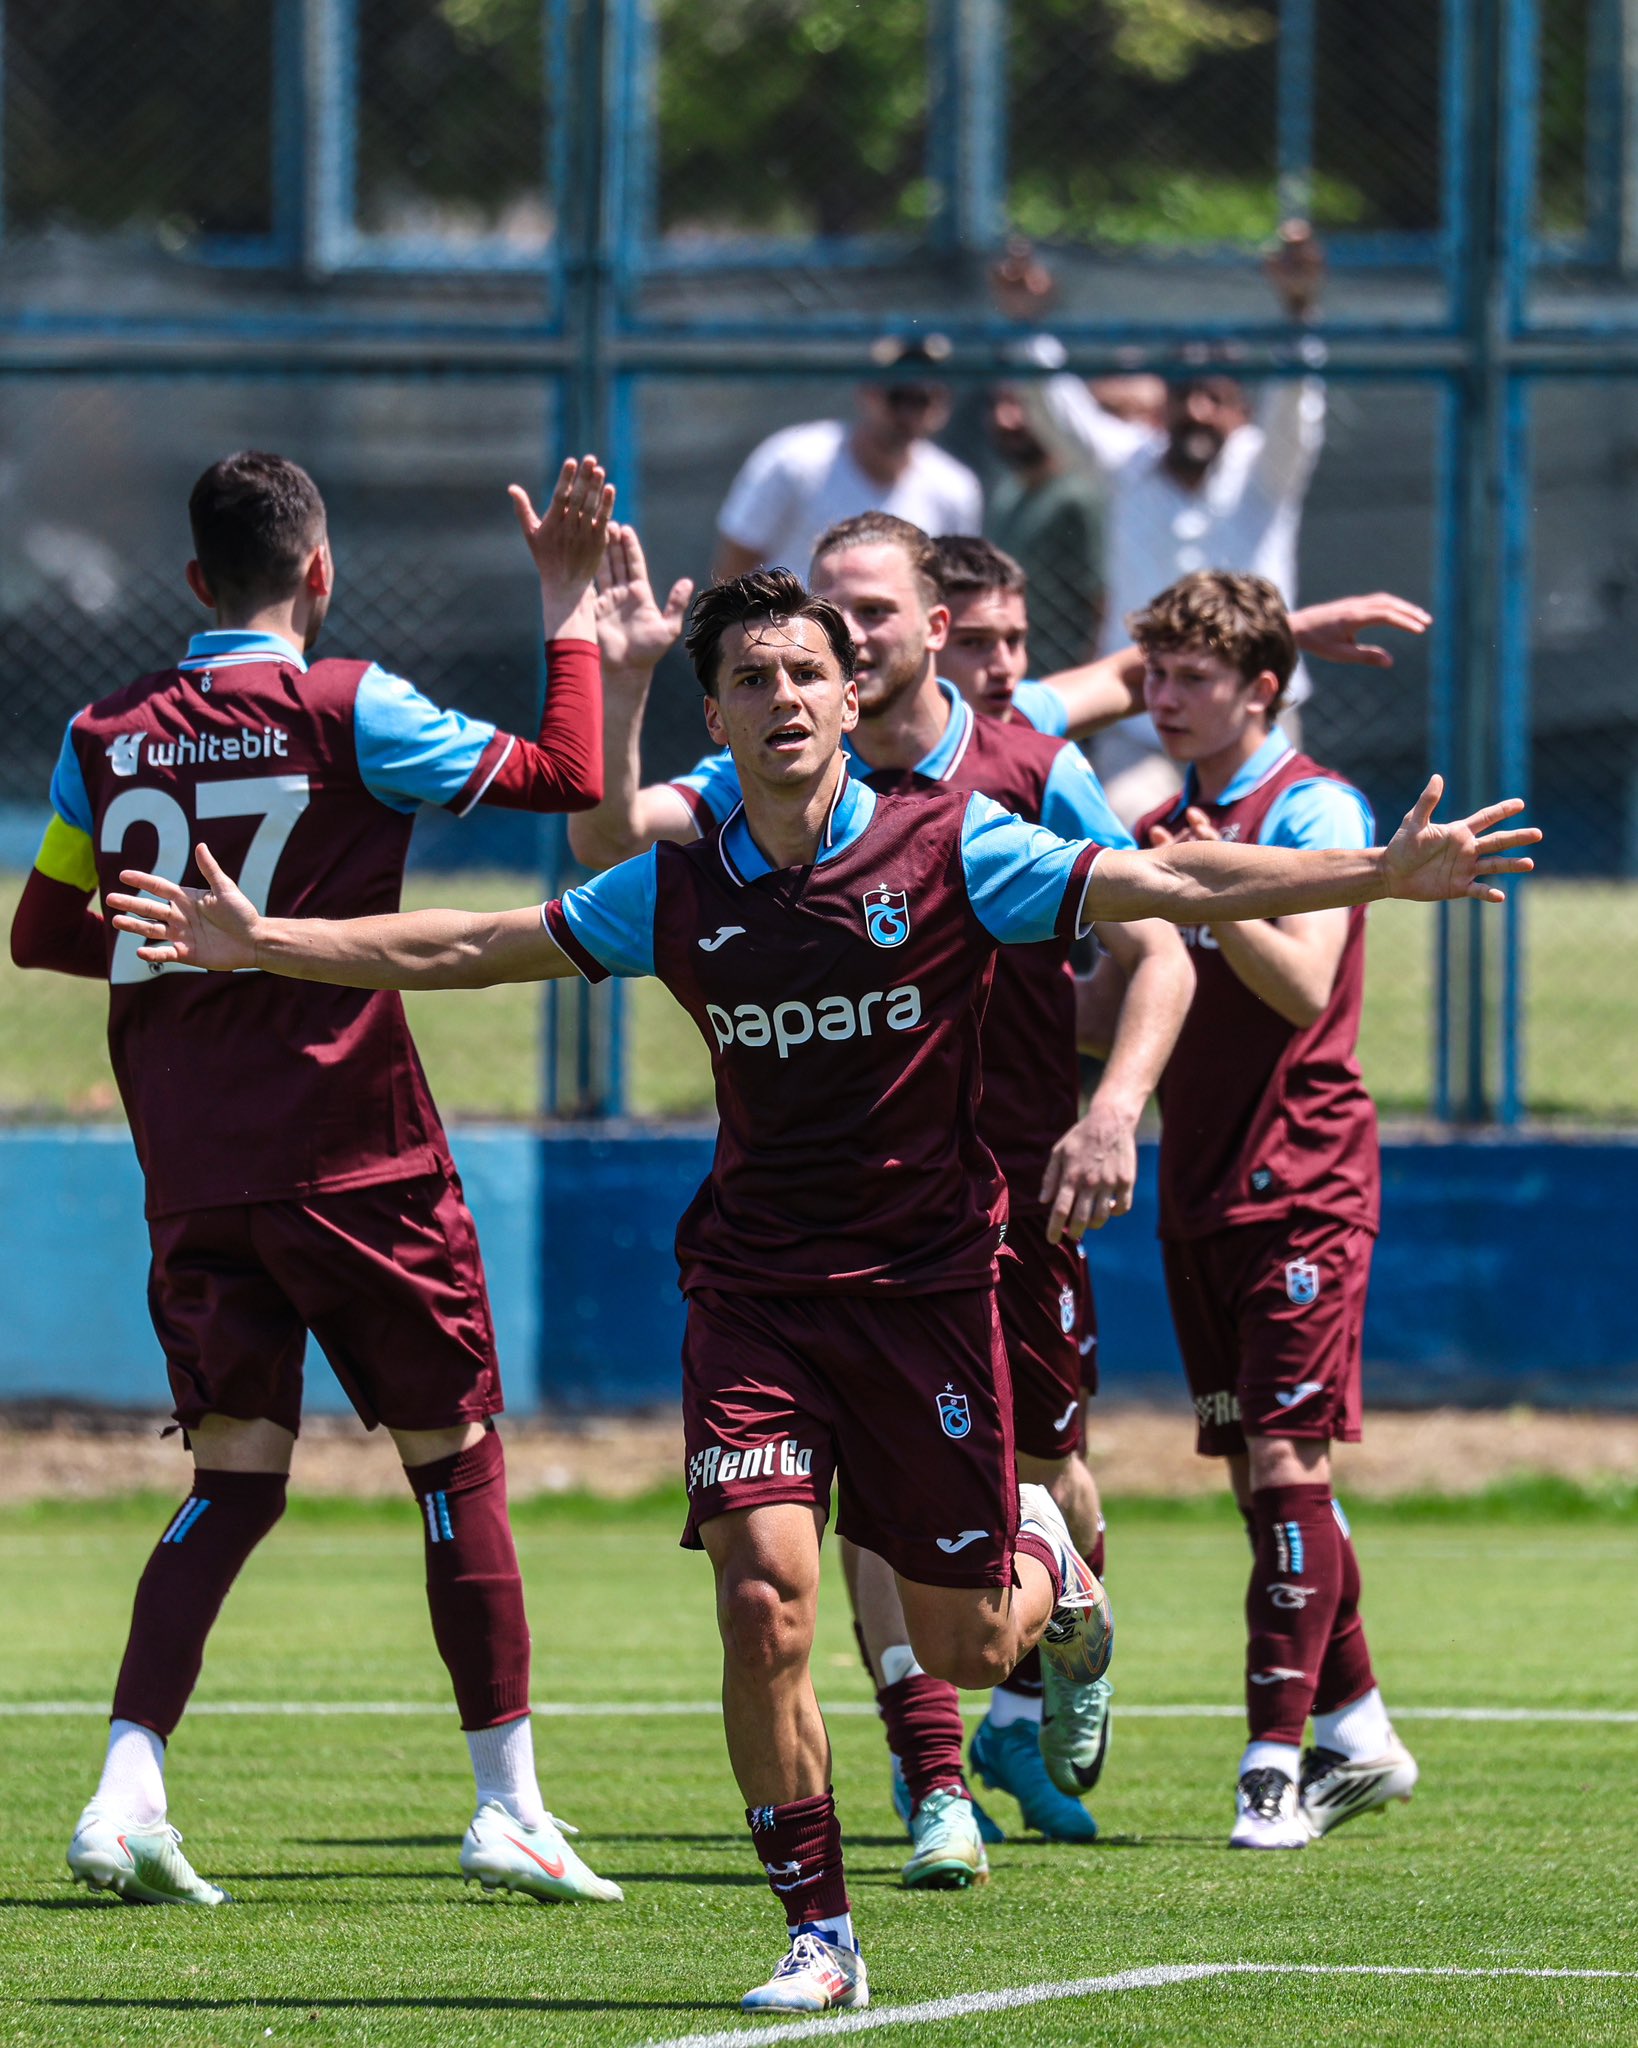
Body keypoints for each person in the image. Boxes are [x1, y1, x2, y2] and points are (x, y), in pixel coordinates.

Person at [109, 568, 1536, 2007]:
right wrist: (263, 941)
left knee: (971, 1640)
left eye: (805, 673)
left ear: (852, 697)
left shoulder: (954, 845)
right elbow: (480, 943)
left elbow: (1169, 885)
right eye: (751, 678)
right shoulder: (679, 884)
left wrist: (1376, 872)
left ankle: (1049, 1562)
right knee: (763, 1602)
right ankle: (819, 1933)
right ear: (716, 716)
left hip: (925, 1295)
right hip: (754, 1292)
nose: (782, 697)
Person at [9, 449, 625, 1909]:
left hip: (194, 1170)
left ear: (193, 580)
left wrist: (178, 952)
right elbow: (568, 778)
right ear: (322, 572)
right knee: (454, 1463)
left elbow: (39, 930)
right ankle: (509, 1806)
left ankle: (125, 1792)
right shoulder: (350, 705)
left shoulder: (103, 733)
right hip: (359, 1160)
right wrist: (567, 612)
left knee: (233, 1482)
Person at [574, 514, 1193, 1868]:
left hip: (1010, 1195)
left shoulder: (1026, 770)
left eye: (862, 616)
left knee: (1039, 1496)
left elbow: (1160, 935)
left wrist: (1110, 1110)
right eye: (822, 612)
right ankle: (932, 1783)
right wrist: (608, 678)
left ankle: (1041, 1610)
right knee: (810, 1544)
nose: (829, 644)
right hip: (801, 1246)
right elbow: (610, 839)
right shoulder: (746, 773)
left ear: (921, 632)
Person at [1113, 569, 1428, 1849]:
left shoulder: (1315, 805)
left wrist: (1198, 880)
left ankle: (1272, 1765)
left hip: (1303, 1181)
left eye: (1191, 677)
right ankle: (1362, 1725)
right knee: (1258, 1475)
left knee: (1292, 1462)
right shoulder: (1160, 818)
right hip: (1199, 1186)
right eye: (1154, 674)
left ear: (1259, 689)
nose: (1163, 696)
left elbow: (1303, 980)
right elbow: (1116, 1003)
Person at [994, 226, 1328, 823]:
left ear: (1240, 410)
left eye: (1213, 397)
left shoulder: (1263, 472)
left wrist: (1299, 310)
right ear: (1162, 404)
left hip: (1254, 722)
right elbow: (1055, 412)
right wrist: (1026, 325)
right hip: (1145, 724)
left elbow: (1297, 409)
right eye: (1184, 395)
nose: (1197, 411)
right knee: (1129, 839)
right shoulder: (1128, 466)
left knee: (1273, 859)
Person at [713, 335, 982, 581]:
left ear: (943, 405)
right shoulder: (794, 462)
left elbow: (949, 584)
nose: (908, 413)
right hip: (787, 619)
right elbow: (735, 567)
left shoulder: (955, 490)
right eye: (898, 395)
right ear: (867, 392)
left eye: (922, 398)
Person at [982, 384, 1105, 676]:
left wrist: (1085, 676)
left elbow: (1099, 599)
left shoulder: (1075, 497)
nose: (1004, 419)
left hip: (1063, 673)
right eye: (997, 405)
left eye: (1020, 405)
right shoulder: (1007, 496)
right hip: (1007, 666)